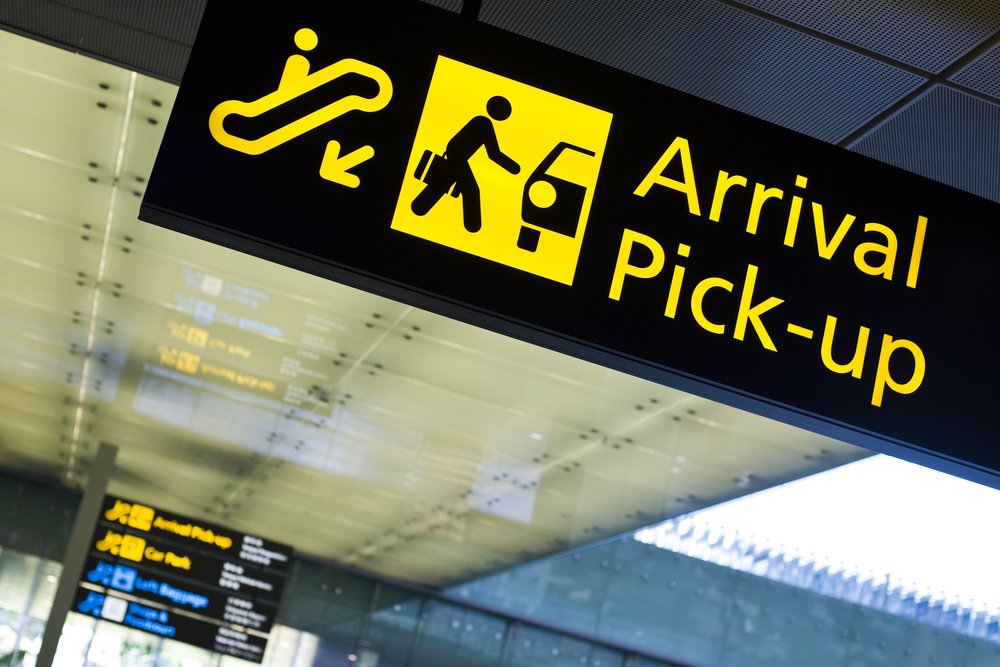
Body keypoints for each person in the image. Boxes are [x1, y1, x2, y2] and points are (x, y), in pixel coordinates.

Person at [411, 96, 520, 232]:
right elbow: (493, 153)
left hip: (455, 153)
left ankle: (419, 207)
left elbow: (493, 153)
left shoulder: (482, 122)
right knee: (471, 189)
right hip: (457, 155)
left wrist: (512, 167)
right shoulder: (483, 123)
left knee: (445, 182)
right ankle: (472, 225)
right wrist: (514, 168)